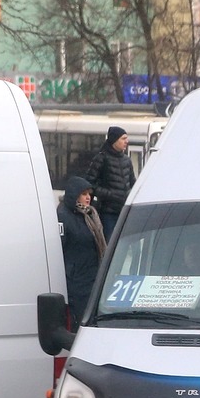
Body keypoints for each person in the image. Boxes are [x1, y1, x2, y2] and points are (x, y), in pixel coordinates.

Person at [58, 176, 107, 327]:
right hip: (76, 279)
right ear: (74, 195)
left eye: (89, 194)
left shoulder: (90, 214)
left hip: (92, 275)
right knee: (80, 320)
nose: (88, 197)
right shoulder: (63, 216)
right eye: (84, 194)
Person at [85, 126, 135, 241]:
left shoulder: (127, 160)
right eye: (123, 138)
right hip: (108, 213)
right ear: (114, 140)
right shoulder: (101, 158)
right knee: (109, 244)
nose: (126, 141)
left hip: (124, 211)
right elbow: (89, 183)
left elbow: (133, 183)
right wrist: (109, 194)